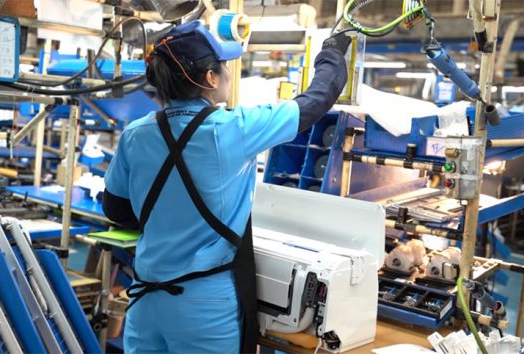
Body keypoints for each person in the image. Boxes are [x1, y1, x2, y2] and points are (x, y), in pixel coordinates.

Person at [102, 20, 351, 354]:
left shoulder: (135, 134)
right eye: (224, 66)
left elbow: (115, 209)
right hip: (204, 308)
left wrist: (168, 222)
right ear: (209, 78)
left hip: (146, 301)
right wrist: (333, 51)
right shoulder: (234, 128)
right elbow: (316, 101)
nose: (229, 74)